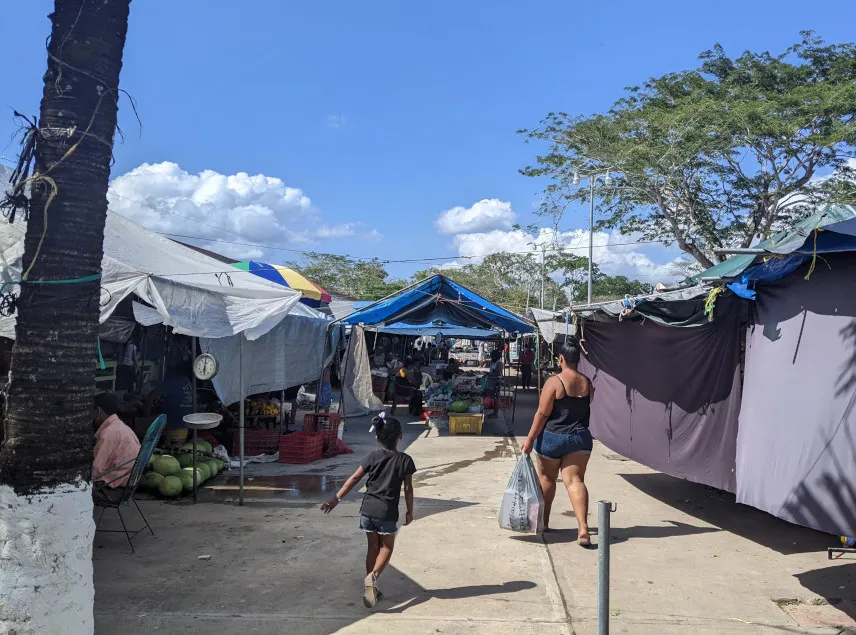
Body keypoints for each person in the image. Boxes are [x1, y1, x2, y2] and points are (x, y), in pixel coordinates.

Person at [321, 415, 416, 608]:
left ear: (377, 438)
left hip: (367, 510)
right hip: (387, 512)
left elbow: (354, 479)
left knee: (372, 547)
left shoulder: (372, 456)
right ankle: (372, 578)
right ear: (400, 436)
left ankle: (371, 586)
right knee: (387, 547)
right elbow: (407, 488)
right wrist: (409, 511)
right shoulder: (405, 460)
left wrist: (336, 499)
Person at [521, 341, 594, 544]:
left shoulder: (554, 382)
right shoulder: (587, 382)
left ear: (561, 359)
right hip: (580, 438)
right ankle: (583, 529)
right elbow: (589, 402)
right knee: (575, 481)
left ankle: (542, 523)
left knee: (546, 479)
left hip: (553, 438)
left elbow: (543, 413)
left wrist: (529, 439)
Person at [92, 392, 141, 505]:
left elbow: (96, 470)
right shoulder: (120, 427)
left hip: (113, 491)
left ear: (99, 411)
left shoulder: (108, 434)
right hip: (128, 487)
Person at [485, 349, 504, 419]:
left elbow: (498, 374)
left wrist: (489, 374)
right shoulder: (494, 362)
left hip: (496, 382)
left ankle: (495, 413)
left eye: (492, 356)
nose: (491, 357)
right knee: (493, 397)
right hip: (492, 381)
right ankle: (494, 412)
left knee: (496, 398)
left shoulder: (499, 363)